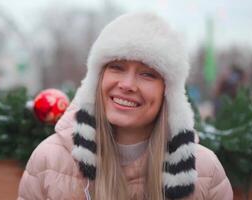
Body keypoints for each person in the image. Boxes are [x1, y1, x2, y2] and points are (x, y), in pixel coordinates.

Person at [18, 12, 233, 200]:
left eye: (147, 74)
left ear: (168, 92)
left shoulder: (205, 170)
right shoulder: (49, 159)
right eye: (117, 67)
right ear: (98, 79)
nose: (127, 85)